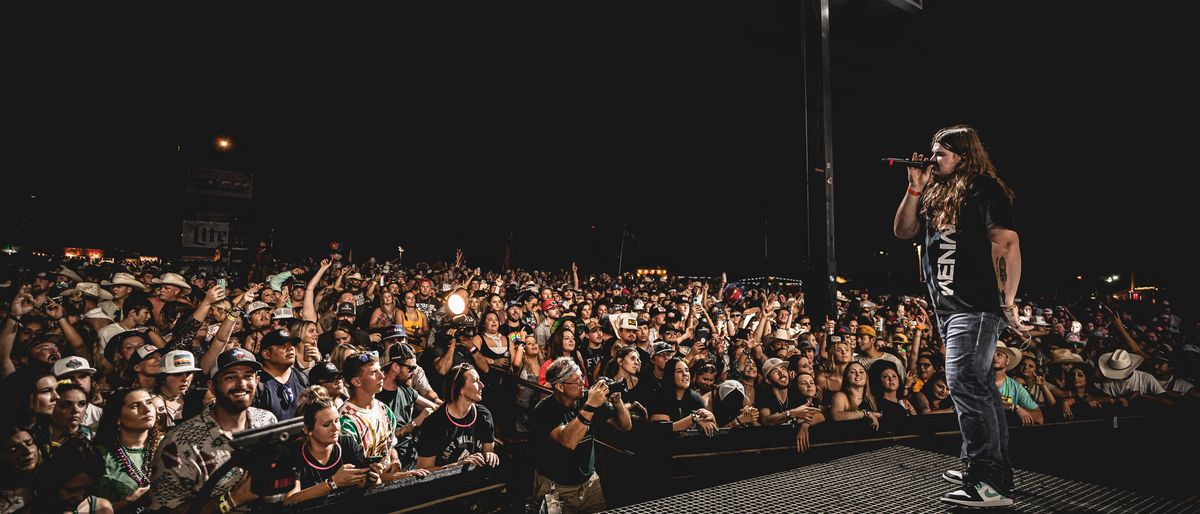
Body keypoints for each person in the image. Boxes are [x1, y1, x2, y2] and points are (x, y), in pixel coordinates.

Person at [894, 125, 1026, 507]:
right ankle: (987, 468)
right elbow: (904, 231)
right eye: (931, 152)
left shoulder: (984, 188)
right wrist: (915, 186)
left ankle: (990, 483)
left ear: (963, 156)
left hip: (976, 307)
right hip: (949, 309)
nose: (931, 159)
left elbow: (1007, 242)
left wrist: (1008, 303)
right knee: (979, 387)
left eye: (940, 154)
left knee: (965, 384)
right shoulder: (936, 192)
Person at [149, 348, 279, 513]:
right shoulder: (179, 443)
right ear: (211, 386)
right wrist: (233, 498)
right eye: (230, 377)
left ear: (257, 380)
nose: (242, 384)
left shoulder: (267, 420)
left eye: (248, 376)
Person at [530, 357, 632, 514]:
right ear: (560, 386)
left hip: (590, 485)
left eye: (582, 378)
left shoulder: (586, 398)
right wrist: (590, 405)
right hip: (556, 489)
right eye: (576, 381)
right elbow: (569, 440)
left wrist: (617, 402)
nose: (583, 384)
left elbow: (625, 426)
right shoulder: (544, 410)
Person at [415, 363, 499, 470]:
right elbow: (423, 469)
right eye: (475, 381)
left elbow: (488, 453)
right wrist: (457, 466)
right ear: (460, 389)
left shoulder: (483, 415)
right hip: (445, 483)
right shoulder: (434, 423)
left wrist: (491, 456)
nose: (482, 385)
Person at [93, 388, 161, 513]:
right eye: (135, 406)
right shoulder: (98, 454)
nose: (146, 410)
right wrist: (131, 500)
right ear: (117, 418)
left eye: (149, 402)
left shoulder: (167, 445)